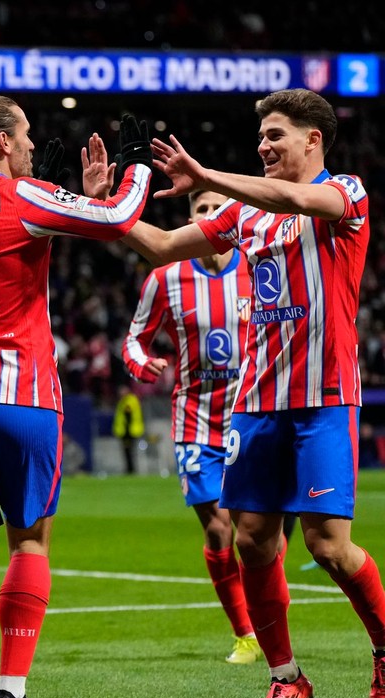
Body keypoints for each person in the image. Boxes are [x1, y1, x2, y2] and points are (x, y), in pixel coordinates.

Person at [122, 88, 385, 698]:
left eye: (274, 136)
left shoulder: (345, 193)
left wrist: (209, 175)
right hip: (256, 402)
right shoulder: (244, 217)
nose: (263, 146)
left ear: (312, 140)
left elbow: (298, 199)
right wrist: (105, 209)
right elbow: (160, 248)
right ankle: (286, 676)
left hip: (323, 398)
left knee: (327, 547)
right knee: (252, 540)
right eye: (261, 137)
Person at [0, 95, 152, 698]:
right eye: (24, 134)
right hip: (22, 399)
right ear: (0, 142)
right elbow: (120, 217)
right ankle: (12, 695)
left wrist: (51, 189)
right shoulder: (21, 198)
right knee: (30, 545)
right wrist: (136, 168)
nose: (31, 142)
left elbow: (16, 243)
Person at [123, 188, 267, 664]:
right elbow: (134, 340)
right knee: (219, 527)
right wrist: (141, 363)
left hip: (252, 414)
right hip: (195, 421)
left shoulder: (256, 264)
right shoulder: (165, 278)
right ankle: (245, 633)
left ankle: (267, 623)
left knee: (260, 530)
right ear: (190, 221)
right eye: (200, 210)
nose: (208, 215)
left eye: (215, 209)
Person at [112, 383, 145, 474]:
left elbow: (128, 416)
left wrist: (126, 431)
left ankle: (131, 469)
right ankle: (129, 469)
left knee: (129, 451)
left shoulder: (128, 401)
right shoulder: (125, 401)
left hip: (129, 431)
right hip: (127, 431)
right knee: (127, 451)